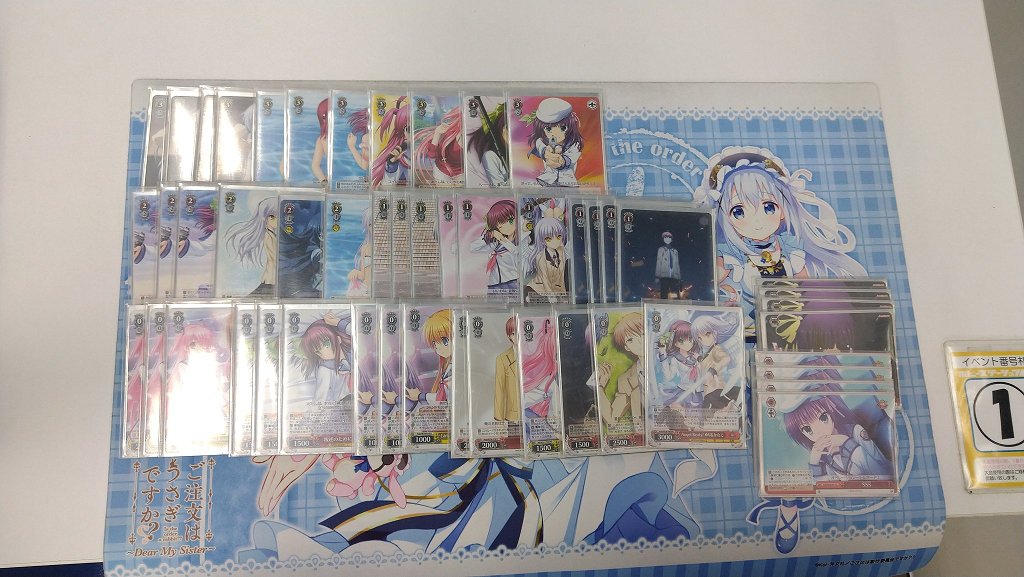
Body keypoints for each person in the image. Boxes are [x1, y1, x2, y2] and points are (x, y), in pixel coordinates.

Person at [524, 98, 583, 187]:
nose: (555, 134)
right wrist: (547, 153)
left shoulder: (574, 144)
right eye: (548, 129)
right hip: (548, 180)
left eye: (562, 128)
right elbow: (541, 148)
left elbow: (571, 158)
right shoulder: (541, 141)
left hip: (567, 182)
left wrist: (562, 161)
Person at [493, 316, 521, 421]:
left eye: (520, 332)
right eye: (514, 333)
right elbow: (499, 389)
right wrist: (499, 419)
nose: (518, 336)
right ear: (509, 336)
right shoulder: (502, 359)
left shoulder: (535, 355)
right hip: (514, 416)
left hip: (535, 414)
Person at [655, 231, 682, 299]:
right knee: (664, 292)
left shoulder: (675, 251)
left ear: (671, 239)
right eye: (665, 238)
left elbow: (677, 264)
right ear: (663, 239)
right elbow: (659, 262)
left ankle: (675, 303)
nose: (667, 239)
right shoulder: (661, 249)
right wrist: (657, 276)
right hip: (664, 275)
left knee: (674, 293)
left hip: (674, 276)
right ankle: (664, 304)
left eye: (669, 238)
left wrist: (679, 277)